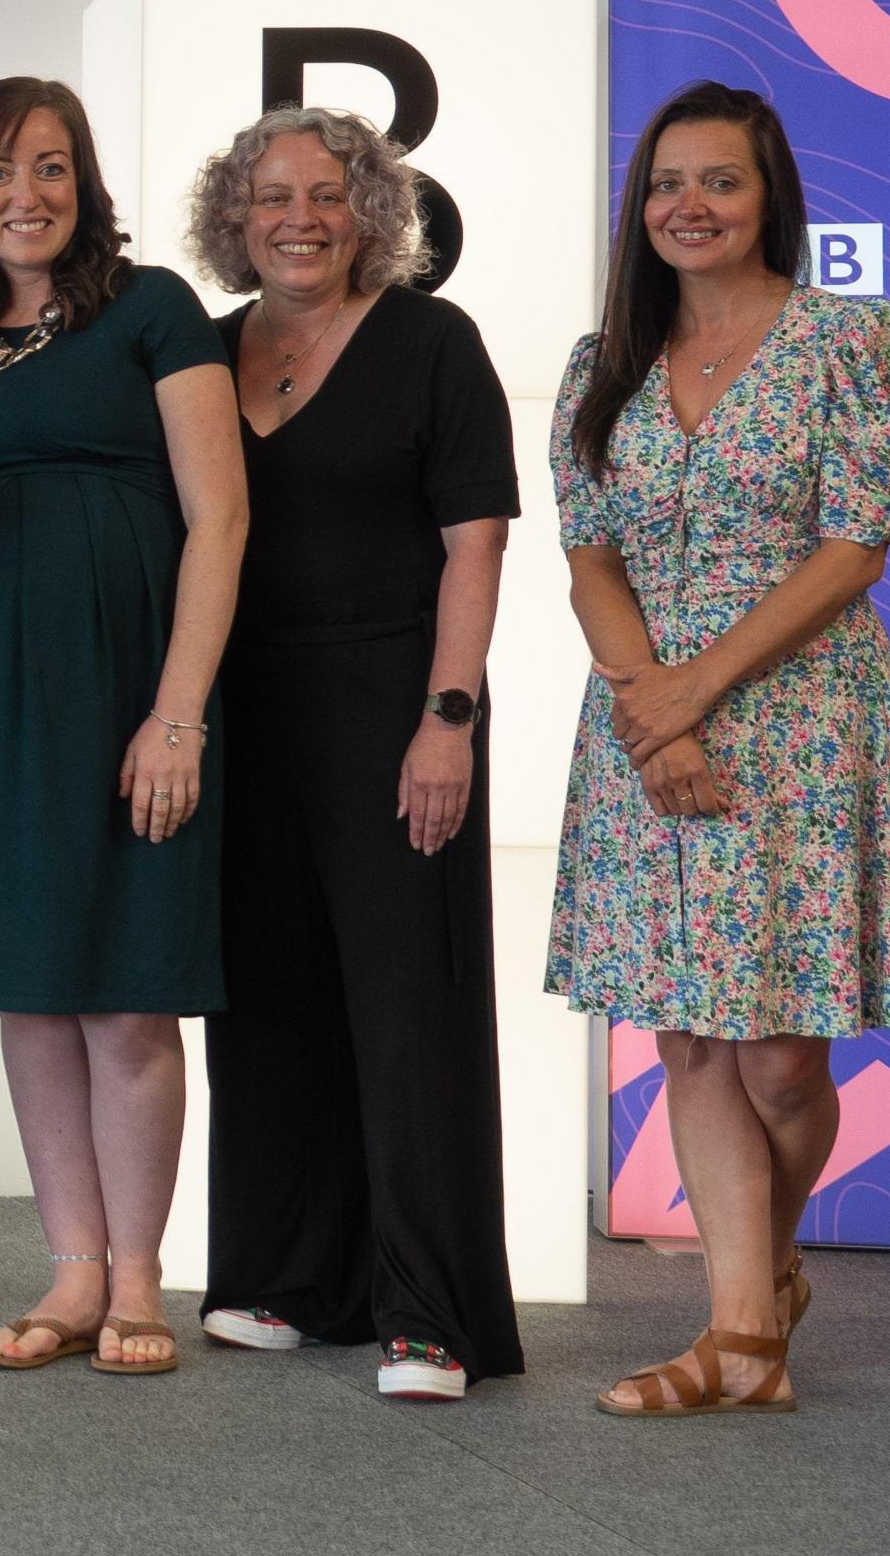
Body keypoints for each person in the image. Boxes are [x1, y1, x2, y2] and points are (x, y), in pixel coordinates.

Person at [550, 82, 890, 1418]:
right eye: (667, 185)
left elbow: (862, 538)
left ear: (769, 193)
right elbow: (588, 554)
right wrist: (648, 703)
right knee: (693, 1039)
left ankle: (761, 1275)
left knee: (778, 1052)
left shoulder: (852, 339)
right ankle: (742, 1340)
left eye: (719, 181)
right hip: (646, 719)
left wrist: (697, 689)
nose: (689, 207)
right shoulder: (606, 360)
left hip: (800, 719)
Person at [0, 79, 246, 1377]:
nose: (23, 195)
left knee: (131, 998)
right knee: (31, 996)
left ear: (84, 183)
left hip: (133, 693)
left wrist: (178, 716)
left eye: (49, 168)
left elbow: (222, 518)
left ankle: (142, 1278)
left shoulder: (152, 311)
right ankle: (72, 1271)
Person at [184, 108, 524, 1402]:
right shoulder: (210, 357)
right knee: (266, 1005)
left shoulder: (435, 344)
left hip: (397, 716)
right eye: (273, 197)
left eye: (328, 195)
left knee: (407, 1013)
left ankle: (431, 1314)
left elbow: (476, 546)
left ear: (371, 210)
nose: (300, 219)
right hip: (250, 718)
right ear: (237, 217)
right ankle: (283, 1279)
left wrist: (452, 716)